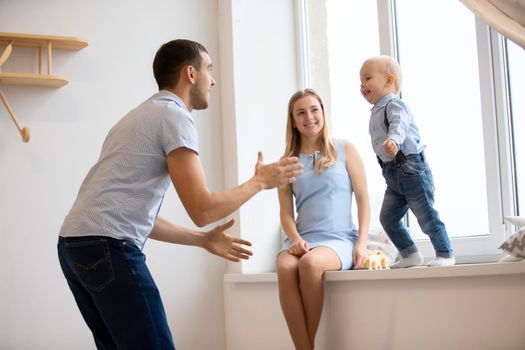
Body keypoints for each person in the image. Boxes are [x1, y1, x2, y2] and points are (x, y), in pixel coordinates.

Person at [57, 39, 303, 350]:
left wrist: (201, 239)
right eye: (208, 69)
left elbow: (130, 214)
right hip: (107, 248)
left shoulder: (135, 118)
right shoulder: (175, 117)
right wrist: (258, 182)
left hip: (74, 247)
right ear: (190, 73)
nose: (212, 80)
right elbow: (203, 209)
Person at [276, 89, 370, 350]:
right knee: (285, 268)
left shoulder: (345, 149)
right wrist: (295, 239)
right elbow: (285, 213)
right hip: (300, 239)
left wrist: (361, 244)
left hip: (339, 239)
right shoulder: (286, 162)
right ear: (293, 121)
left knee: (310, 264)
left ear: (323, 113)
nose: (310, 117)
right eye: (301, 112)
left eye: (314, 109)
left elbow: (363, 199)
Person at [359, 55, 455, 268]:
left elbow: (399, 124)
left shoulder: (395, 104)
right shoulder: (376, 109)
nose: (362, 85)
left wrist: (394, 139)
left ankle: (445, 253)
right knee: (388, 218)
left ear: (388, 80)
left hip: (410, 169)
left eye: (367, 78)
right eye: (360, 81)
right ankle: (410, 253)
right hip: (392, 175)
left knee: (426, 214)